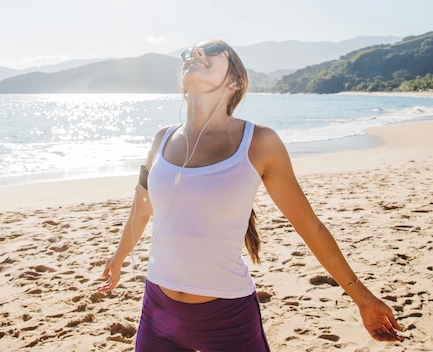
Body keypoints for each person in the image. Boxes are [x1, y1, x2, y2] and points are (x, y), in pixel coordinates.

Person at [97, 39, 403, 351]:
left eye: (214, 50)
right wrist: (119, 257)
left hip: (228, 316)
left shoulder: (259, 143)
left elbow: (310, 226)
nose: (196, 53)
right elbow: (143, 204)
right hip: (158, 311)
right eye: (190, 52)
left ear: (236, 82)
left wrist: (363, 299)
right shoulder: (162, 138)